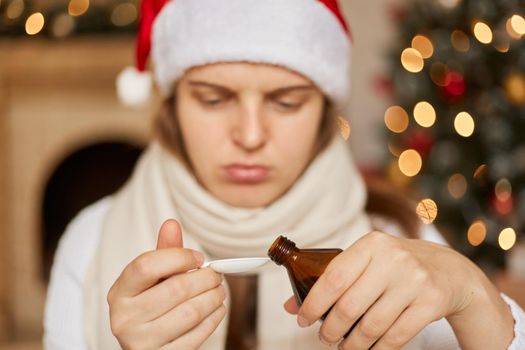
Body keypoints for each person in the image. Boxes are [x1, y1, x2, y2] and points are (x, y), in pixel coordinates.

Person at [44, 0, 525, 349]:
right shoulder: (91, 242)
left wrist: (473, 294)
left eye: (286, 101)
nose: (251, 134)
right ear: (171, 107)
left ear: (321, 111)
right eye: (213, 98)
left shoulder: (400, 235)